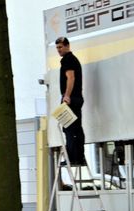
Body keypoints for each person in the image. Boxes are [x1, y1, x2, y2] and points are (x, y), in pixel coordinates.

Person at [56, 36, 86, 166]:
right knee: (76, 129)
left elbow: (71, 78)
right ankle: (78, 157)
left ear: (67, 46)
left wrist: (66, 96)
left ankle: (72, 158)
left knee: (70, 129)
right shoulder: (73, 60)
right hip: (75, 98)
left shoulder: (68, 59)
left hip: (71, 99)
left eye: (61, 47)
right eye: (57, 48)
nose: (59, 50)